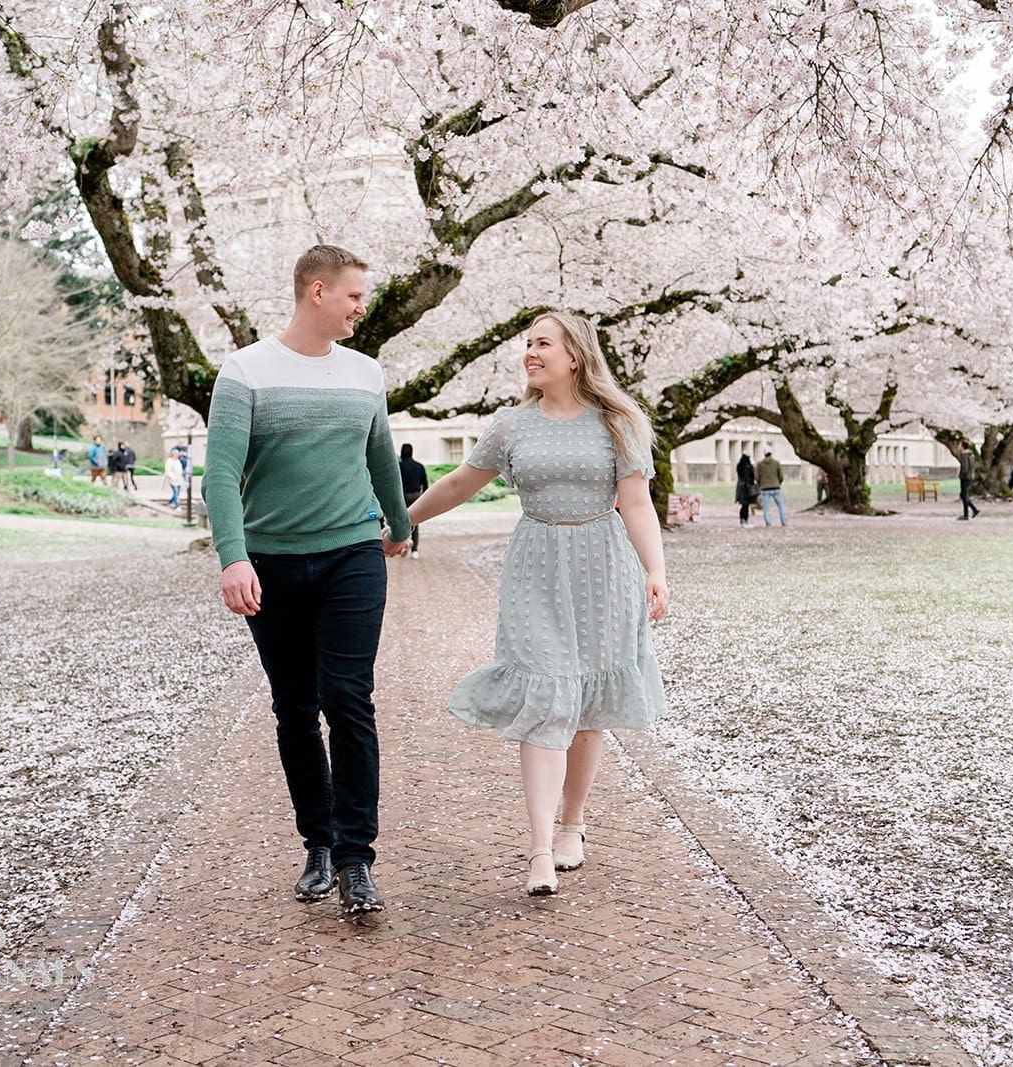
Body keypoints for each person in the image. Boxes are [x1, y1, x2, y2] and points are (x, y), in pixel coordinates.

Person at [406, 310, 667, 897]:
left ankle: (574, 823)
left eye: (541, 343)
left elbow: (637, 503)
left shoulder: (620, 422)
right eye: (527, 343)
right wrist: (402, 522)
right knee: (548, 694)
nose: (529, 352)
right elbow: (457, 483)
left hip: (604, 567)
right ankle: (540, 848)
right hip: (535, 568)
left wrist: (656, 570)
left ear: (574, 355)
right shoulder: (512, 425)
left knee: (588, 699)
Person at [204, 245, 412, 916]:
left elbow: (380, 454)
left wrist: (400, 525)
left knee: (349, 700)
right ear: (316, 291)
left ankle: (356, 859)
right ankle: (317, 844)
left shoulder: (365, 372)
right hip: (272, 565)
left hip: (353, 553)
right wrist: (233, 556)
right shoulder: (245, 371)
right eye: (354, 294)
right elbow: (220, 475)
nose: (362, 306)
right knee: (295, 708)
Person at [398, 443, 429, 559]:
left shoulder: (399, 466)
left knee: (401, 522)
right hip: (416, 496)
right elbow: (425, 484)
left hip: (402, 497)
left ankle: (402, 547)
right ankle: (414, 549)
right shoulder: (419, 466)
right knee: (414, 523)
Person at [756, 448, 787, 526]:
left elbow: (757, 477)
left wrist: (760, 484)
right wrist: (778, 483)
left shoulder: (760, 464)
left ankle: (768, 522)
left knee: (766, 507)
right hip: (776, 487)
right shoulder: (776, 463)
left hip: (764, 488)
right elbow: (781, 476)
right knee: (781, 506)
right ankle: (783, 521)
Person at [955, 441, 980, 520]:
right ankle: (974, 510)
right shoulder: (971, 454)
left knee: (964, 495)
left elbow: (965, 467)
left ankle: (966, 515)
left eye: (959, 445)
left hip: (965, 477)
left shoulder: (964, 455)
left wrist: (961, 475)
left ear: (963, 446)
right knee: (963, 495)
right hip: (970, 476)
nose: (958, 447)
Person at [734, 452, 758, 525]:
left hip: (740, 486)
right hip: (747, 487)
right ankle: (745, 519)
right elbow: (752, 477)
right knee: (746, 505)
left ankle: (741, 519)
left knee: (743, 504)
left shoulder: (739, 465)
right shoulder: (749, 466)